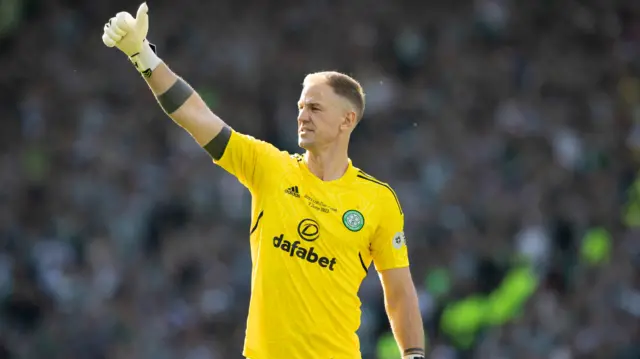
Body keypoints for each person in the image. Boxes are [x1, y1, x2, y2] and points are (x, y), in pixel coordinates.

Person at [101, 3, 426, 358]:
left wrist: (413, 354)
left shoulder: (377, 200)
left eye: (315, 108)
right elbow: (196, 115)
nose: (302, 115)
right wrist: (142, 54)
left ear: (347, 120)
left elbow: (398, 289)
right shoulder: (269, 167)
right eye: (300, 106)